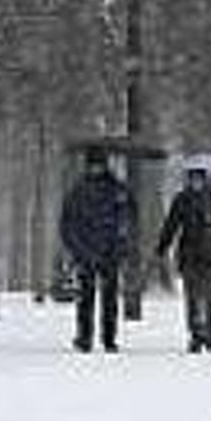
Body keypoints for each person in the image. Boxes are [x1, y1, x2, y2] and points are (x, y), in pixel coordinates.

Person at [58, 146, 137, 353]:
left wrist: (121, 246)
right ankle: (85, 337)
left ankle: (108, 338)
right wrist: (76, 249)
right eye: (92, 165)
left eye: (98, 165)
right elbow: (68, 223)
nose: (95, 169)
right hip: (86, 252)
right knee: (85, 298)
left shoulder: (117, 190)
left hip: (110, 252)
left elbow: (128, 220)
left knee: (109, 299)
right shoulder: (78, 191)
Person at [156, 163, 211, 353]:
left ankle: (206, 329)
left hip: (209, 256)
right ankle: (197, 333)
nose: (196, 182)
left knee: (208, 297)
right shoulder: (187, 199)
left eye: (198, 178)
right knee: (194, 296)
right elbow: (172, 225)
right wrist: (162, 246)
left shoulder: (209, 198)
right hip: (194, 256)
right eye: (193, 178)